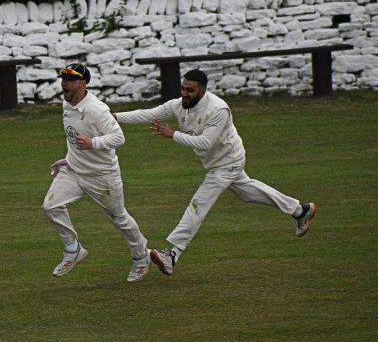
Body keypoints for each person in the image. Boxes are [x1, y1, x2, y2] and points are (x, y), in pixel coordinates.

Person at [113, 69, 316, 276]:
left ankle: (172, 256)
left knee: (197, 206)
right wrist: (114, 117)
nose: (184, 93)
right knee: (246, 192)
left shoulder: (218, 109)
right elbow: (149, 113)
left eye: (190, 90)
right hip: (217, 163)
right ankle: (300, 210)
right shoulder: (179, 105)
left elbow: (205, 142)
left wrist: (172, 134)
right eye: (183, 88)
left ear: (203, 91)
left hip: (227, 162)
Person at [42, 63, 151, 282]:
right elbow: (74, 136)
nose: (64, 84)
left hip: (102, 176)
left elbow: (119, 137)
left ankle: (141, 258)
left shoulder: (97, 110)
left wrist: (93, 142)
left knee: (119, 218)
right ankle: (73, 249)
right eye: (62, 79)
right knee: (50, 206)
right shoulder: (67, 104)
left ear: (82, 84)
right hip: (73, 170)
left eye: (69, 80)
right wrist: (68, 157)